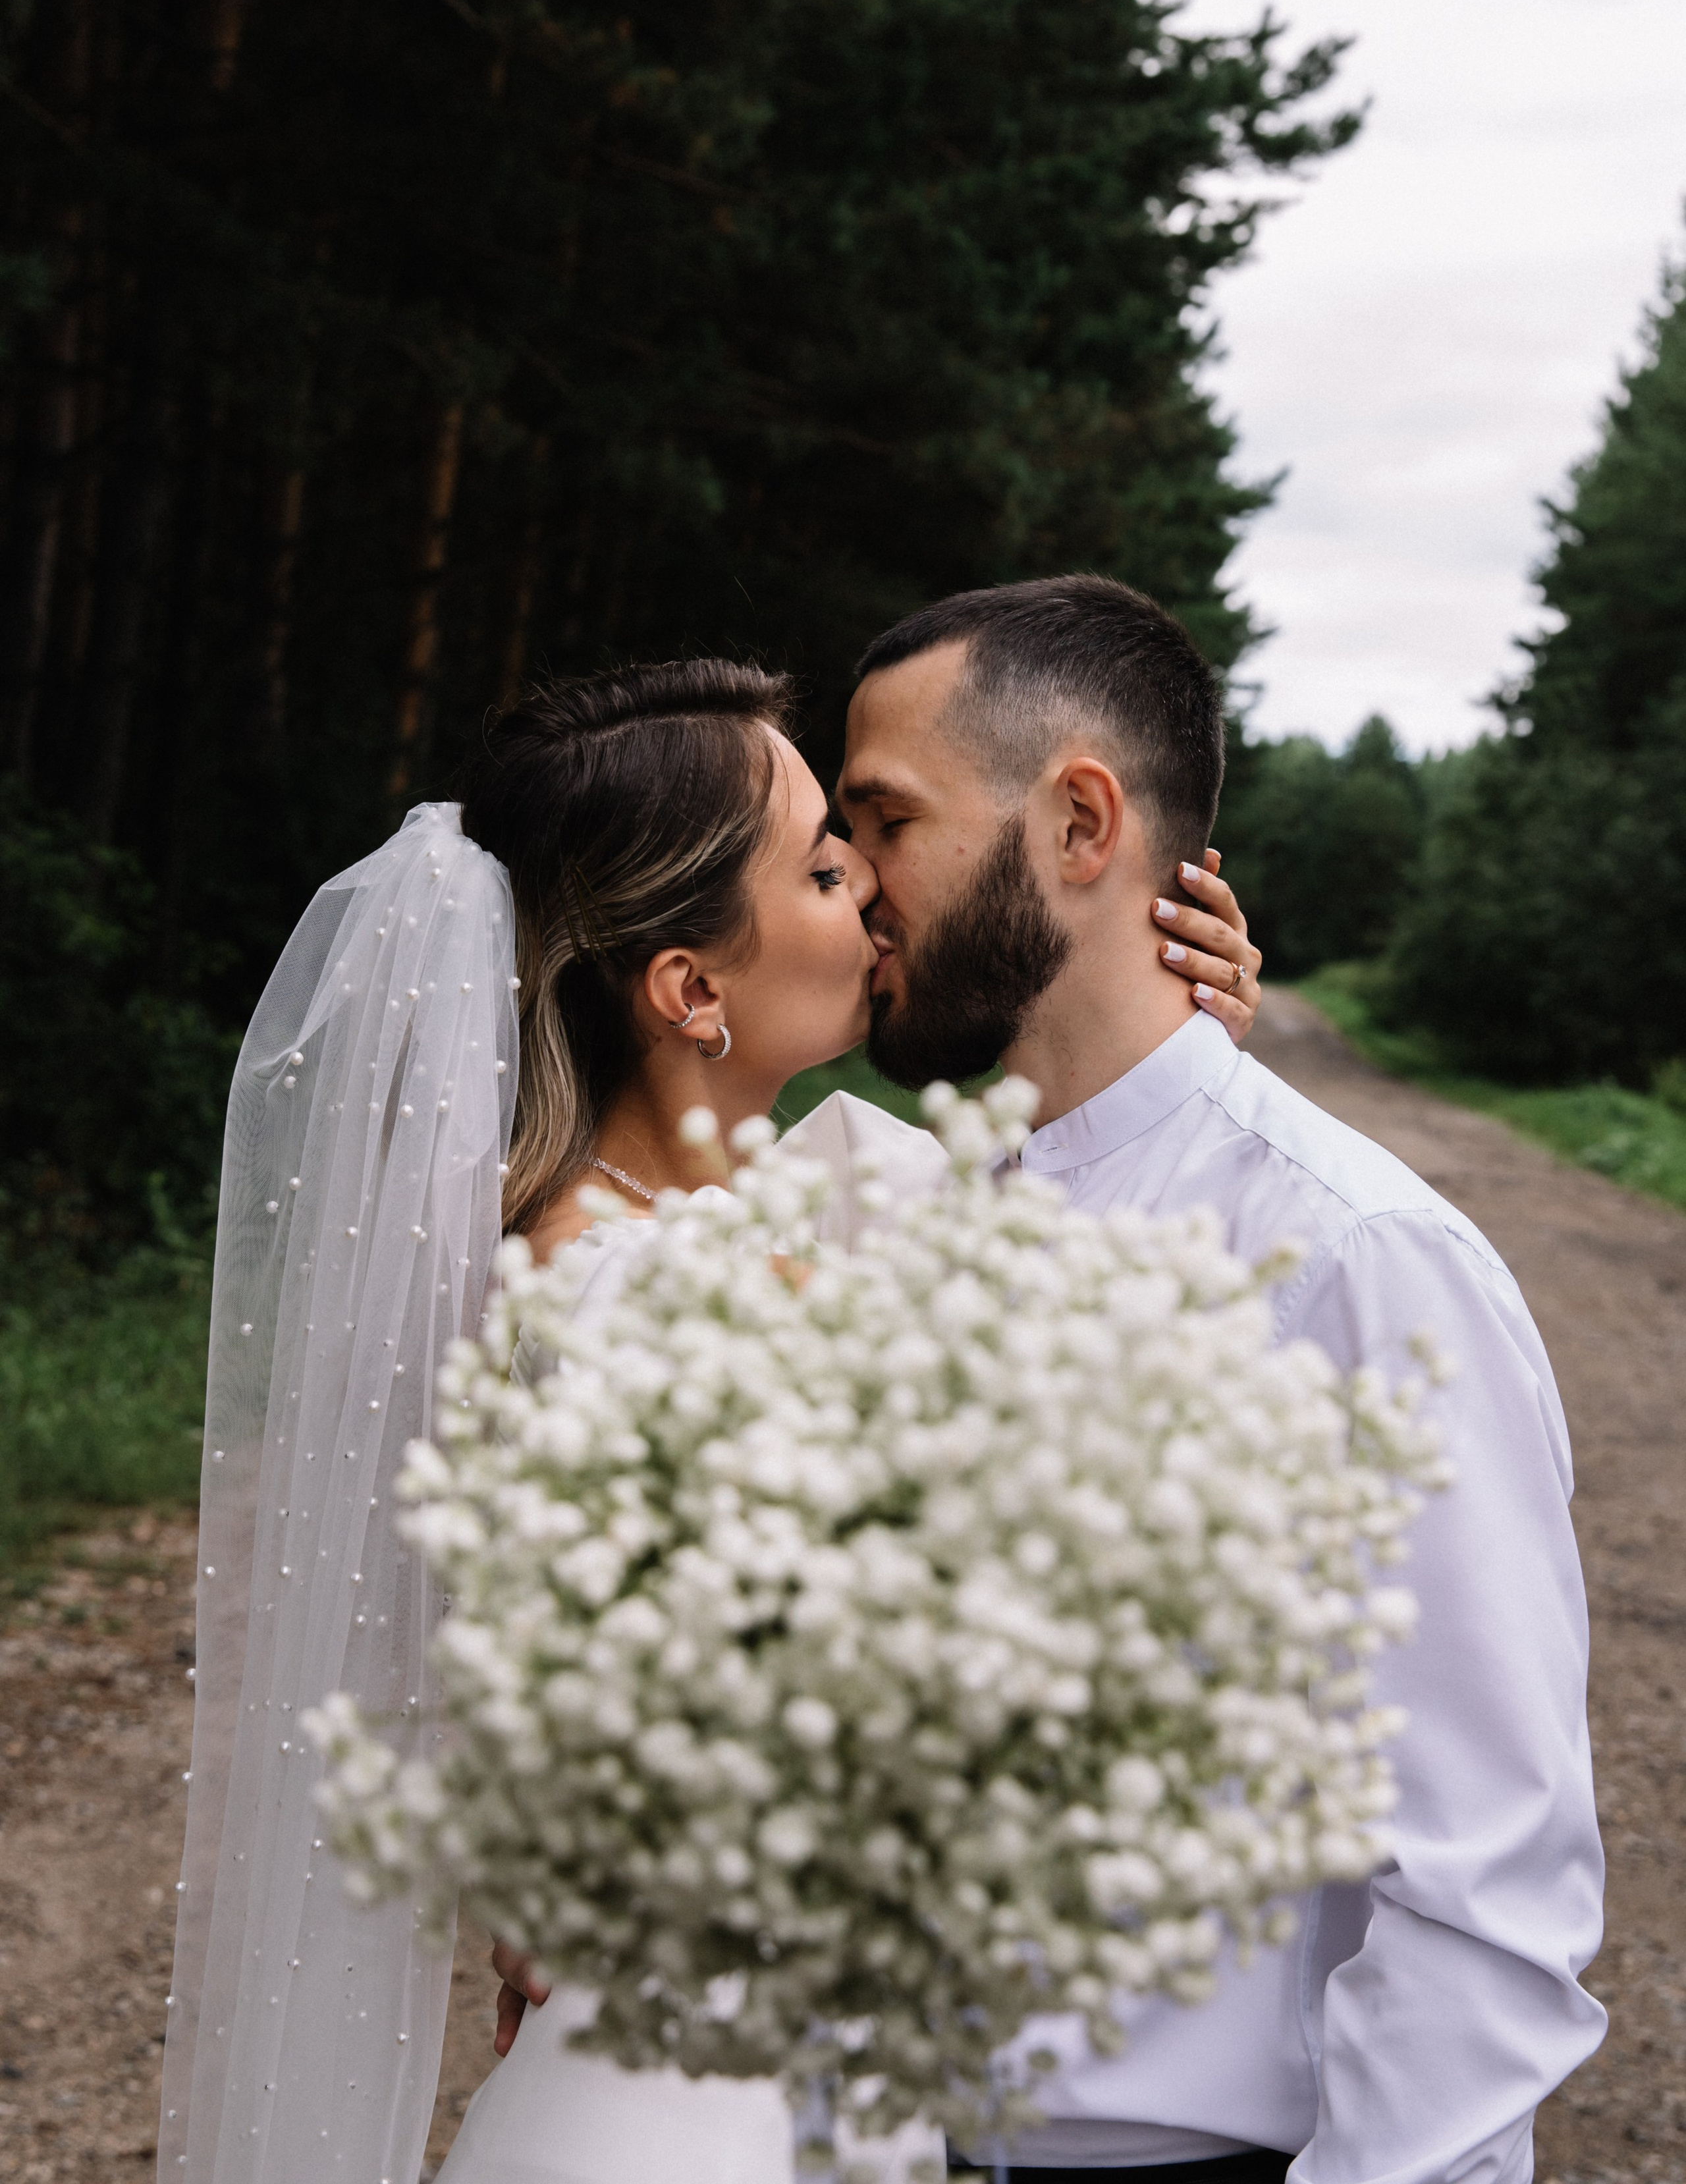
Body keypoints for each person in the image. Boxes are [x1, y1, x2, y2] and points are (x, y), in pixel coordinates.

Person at [491, 578, 1606, 2184]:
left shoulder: (1353, 1261)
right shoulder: (880, 1214)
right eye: (829, 849)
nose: (861, 887)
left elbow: (1482, 1895)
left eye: (881, 824)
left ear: (1079, 825)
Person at [159, 653, 1261, 2184]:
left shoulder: (769, 1214)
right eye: (821, 866)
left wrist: (1162, 1049)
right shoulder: (624, 1296)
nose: (873, 887)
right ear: (689, 990)